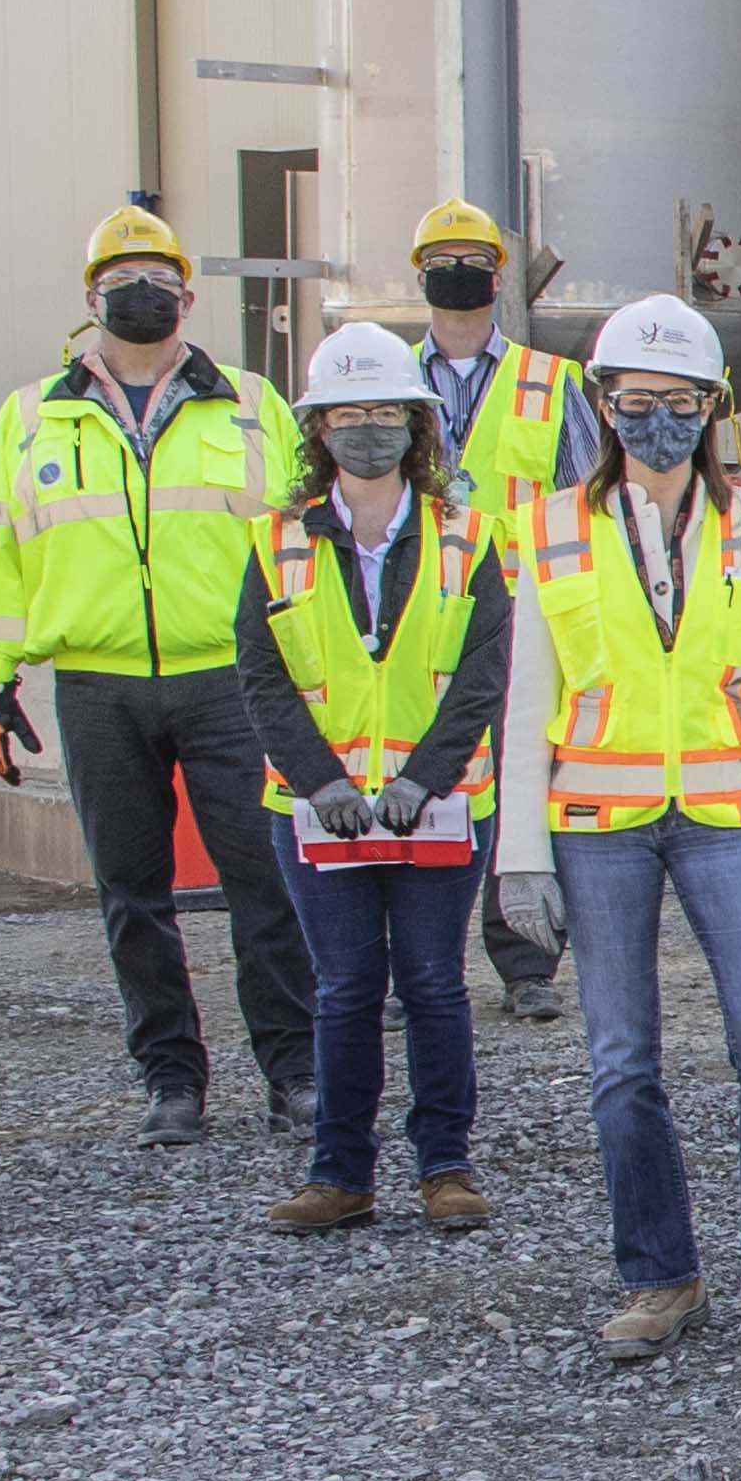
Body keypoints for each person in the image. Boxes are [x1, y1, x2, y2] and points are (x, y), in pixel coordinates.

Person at [496, 298, 741, 1361]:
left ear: (711, 408)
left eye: (678, 403)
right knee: (620, 1062)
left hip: (729, 814)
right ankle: (659, 1277)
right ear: (603, 406)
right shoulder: (550, 528)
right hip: (596, 821)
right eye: (636, 402)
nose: (657, 422)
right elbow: (524, 700)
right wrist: (518, 855)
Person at [0, 201, 312, 1148]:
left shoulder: (251, 402)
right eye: (120, 283)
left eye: (157, 280)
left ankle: (295, 1068)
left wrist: (315, 671)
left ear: (189, 296)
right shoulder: (31, 416)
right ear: (91, 299)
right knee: (131, 892)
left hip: (231, 678)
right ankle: (171, 1079)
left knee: (264, 882)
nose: (141, 295)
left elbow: (298, 542)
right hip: (96, 682)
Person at [231, 325, 513, 1237]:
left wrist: (423, 778)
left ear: (416, 426)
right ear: (317, 430)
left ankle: (446, 1166)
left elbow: (484, 670)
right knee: (345, 987)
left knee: (433, 984)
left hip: (437, 809)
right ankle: (339, 1172)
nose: (366, 429)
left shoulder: (469, 536)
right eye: (347, 414)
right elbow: (261, 674)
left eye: (384, 411)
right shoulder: (275, 542)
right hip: (321, 816)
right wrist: (320, 782)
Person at [401, 193, 586, 1025]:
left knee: (526, 781)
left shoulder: (552, 384)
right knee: (426, 779)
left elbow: (587, 501)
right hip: (424, 616)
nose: (457, 275)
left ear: (497, 276)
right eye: (442, 261)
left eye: (471, 261)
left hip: (528, 611)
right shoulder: (390, 382)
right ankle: (418, 969)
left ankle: (527, 960)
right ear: (420, 277)